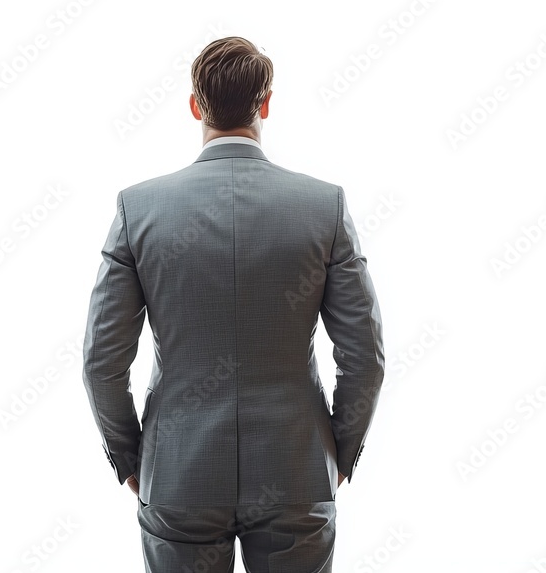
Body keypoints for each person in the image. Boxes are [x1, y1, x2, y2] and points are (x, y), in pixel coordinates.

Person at [81, 36, 385, 572]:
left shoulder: (139, 209)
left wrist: (132, 459)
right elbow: (365, 357)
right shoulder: (324, 207)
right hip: (294, 470)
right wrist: (337, 450)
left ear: (196, 106)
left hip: (180, 473)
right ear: (265, 103)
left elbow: (102, 363)